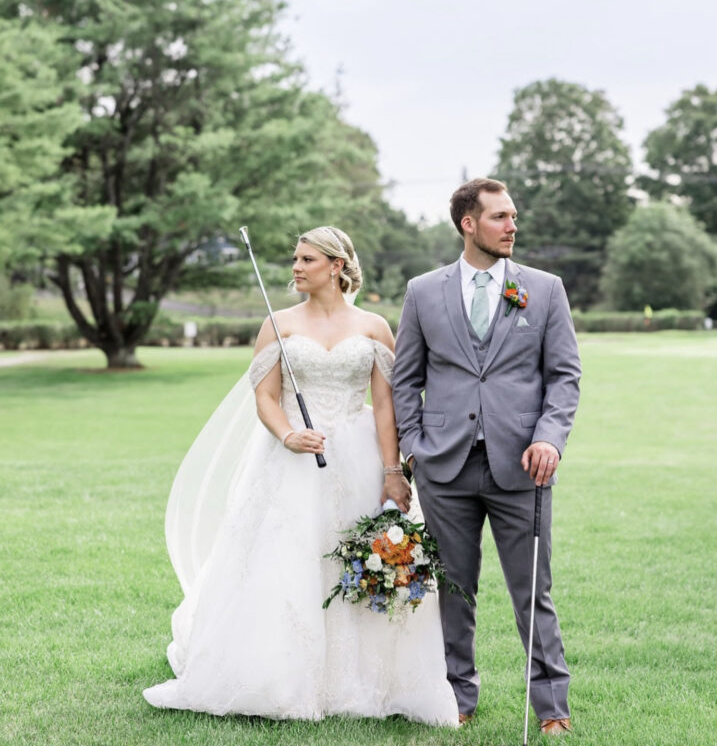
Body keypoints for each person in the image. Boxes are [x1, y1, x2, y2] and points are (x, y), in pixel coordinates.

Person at [143, 225, 459, 725]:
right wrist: (289, 434)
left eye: (306, 259)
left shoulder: (375, 326)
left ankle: (367, 680)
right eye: (295, 258)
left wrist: (392, 470)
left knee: (360, 556)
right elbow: (265, 396)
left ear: (336, 266)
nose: (295, 267)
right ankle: (281, 676)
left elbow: (385, 406)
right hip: (290, 461)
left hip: (357, 456)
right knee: (285, 563)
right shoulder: (278, 324)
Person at [393, 179, 581, 736]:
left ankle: (552, 707)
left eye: (513, 216)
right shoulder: (423, 291)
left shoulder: (544, 290)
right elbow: (406, 379)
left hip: (523, 463)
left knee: (532, 592)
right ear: (467, 224)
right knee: (453, 588)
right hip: (444, 466)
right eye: (499, 217)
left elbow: (564, 376)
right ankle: (457, 696)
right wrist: (413, 446)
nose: (512, 226)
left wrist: (548, 437)